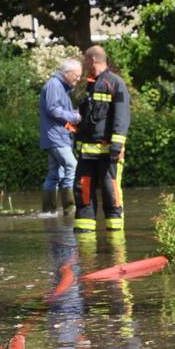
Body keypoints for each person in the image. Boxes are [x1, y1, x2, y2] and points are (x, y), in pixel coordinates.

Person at [73, 45, 130, 233]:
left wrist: (116, 145)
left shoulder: (116, 83)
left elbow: (122, 116)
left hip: (108, 153)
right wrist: (77, 141)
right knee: (83, 191)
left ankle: (115, 239)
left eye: (84, 60)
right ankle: (84, 238)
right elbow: (85, 117)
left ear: (92, 60)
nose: (83, 64)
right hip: (86, 154)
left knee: (110, 192)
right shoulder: (89, 85)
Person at [39, 58, 83, 212]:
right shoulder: (54, 85)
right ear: (67, 73)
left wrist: (74, 113)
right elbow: (53, 109)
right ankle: (70, 209)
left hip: (57, 136)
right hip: (56, 137)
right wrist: (75, 117)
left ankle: (48, 212)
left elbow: (58, 109)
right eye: (76, 75)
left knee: (55, 174)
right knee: (72, 166)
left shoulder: (60, 86)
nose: (78, 79)